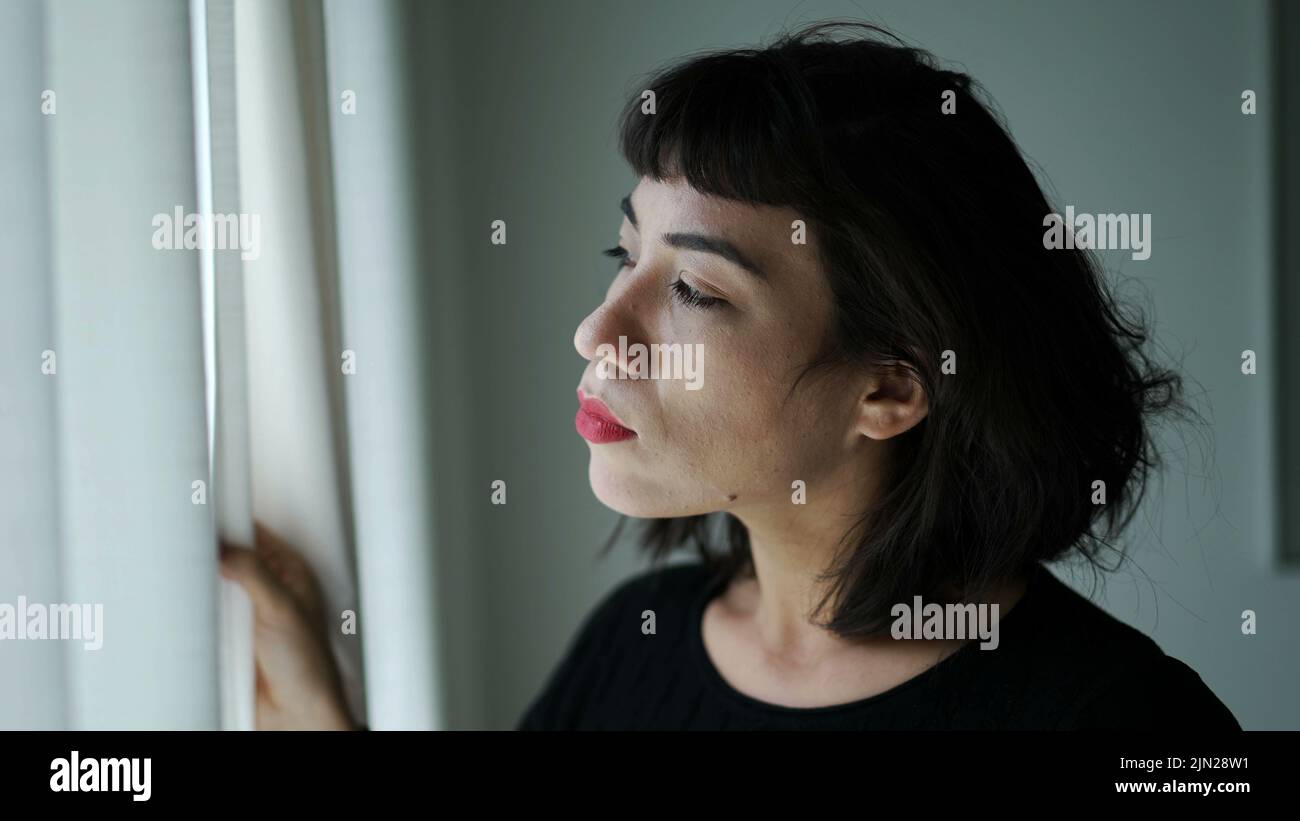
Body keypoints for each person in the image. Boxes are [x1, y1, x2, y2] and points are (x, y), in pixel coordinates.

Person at [221, 21, 1240, 731]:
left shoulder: (1121, 719)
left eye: (698, 291)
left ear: (888, 388)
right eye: (627, 257)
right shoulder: (636, 644)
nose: (596, 331)